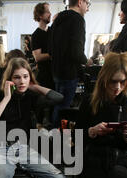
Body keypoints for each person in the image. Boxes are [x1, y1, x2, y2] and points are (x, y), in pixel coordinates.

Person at [49, 0, 90, 128]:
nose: (87, 8)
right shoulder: (78, 20)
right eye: (87, 3)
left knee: (57, 105)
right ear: (80, 2)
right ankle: (56, 138)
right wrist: (86, 61)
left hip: (56, 71)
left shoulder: (58, 19)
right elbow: (76, 52)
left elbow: (50, 49)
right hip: (68, 73)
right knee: (63, 108)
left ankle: (53, 135)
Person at [31, 2, 54, 90]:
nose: (50, 14)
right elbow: (38, 57)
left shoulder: (53, 31)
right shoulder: (36, 35)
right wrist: (54, 54)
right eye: (47, 12)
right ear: (40, 15)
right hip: (45, 77)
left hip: (56, 75)